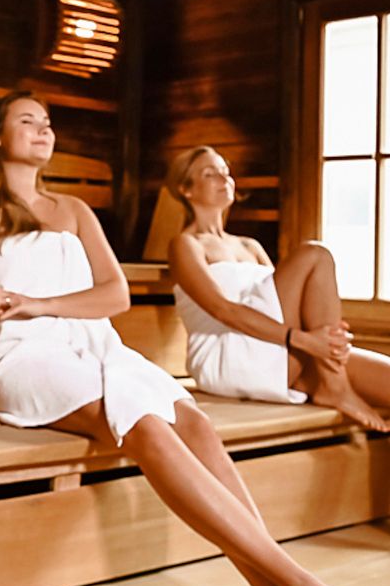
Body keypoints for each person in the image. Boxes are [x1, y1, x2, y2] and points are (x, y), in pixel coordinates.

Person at [0, 91, 389, 586]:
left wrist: (43, 303)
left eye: (48, 122)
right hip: (24, 354)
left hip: (95, 345)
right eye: (27, 121)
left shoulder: (74, 211)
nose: (43, 130)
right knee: (146, 427)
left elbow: (114, 295)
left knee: (197, 425)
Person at [166, 145, 388, 430]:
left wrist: (329, 339)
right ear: (186, 189)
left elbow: (283, 303)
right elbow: (224, 311)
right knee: (315, 255)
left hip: (277, 346)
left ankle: (332, 380)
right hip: (230, 352)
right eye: (211, 174)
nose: (224, 180)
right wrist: (305, 340)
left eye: (226, 172)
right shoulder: (186, 245)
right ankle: (334, 385)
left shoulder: (250, 246)